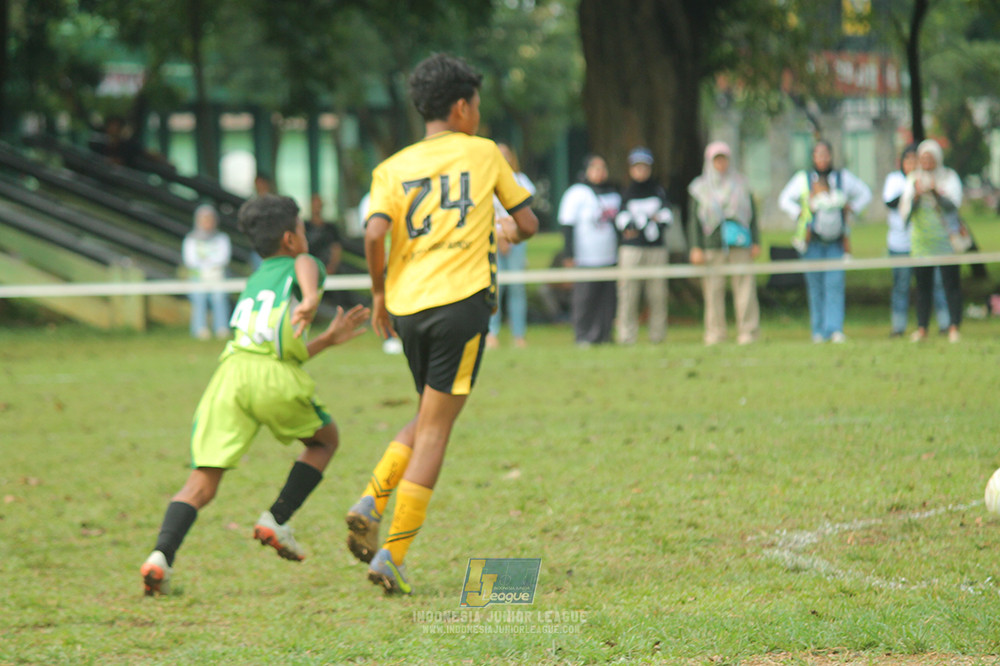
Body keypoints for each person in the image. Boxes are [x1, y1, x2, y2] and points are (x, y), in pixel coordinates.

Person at [345, 53, 538, 595]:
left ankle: (373, 497)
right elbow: (527, 221)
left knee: (428, 411)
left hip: (407, 307)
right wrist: (511, 233)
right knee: (437, 427)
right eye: (476, 104)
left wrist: (379, 292)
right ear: (461, 107)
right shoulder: (483, 153)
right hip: (462, 303)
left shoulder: (392, 167)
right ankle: (392, 555)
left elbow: (374, 233)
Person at [140, 194, 370, 596]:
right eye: (301, 229)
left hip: (230, 376)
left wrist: (328, 340)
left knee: (202, 482)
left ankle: (161, 556)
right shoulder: (301, 262)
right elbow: (304, 264)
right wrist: (313, 296)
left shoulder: (256, 278)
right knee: (325, 440)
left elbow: (275, 350)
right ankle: (277, 519)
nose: (304, 237)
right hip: (270, 379)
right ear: (290, 238)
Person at [778, 140, 871, 343]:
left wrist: (851, 209)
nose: (822, 158)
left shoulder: (842, 178)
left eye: (825, 154)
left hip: (836, 242)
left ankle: (834, 328)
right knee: (816, 286)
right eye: (818, 154)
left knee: (834, 284)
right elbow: (784, 199)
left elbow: (865, 193)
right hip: (812, 242)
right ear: (813, 157)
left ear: (831, 156)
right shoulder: (803, 179)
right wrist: (800, 212)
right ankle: (818, 331)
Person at [687, 141, 761, 346]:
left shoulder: (741, 184)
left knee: (745, 288)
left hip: (739, 243)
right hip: (712, 244)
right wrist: (696, 246)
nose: (721, 163)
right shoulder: (700, 187)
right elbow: (694, 219)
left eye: (724, 159)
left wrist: (756, 240)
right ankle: (715, 333)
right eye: (716, 159)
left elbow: (752, 215)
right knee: (713, 290)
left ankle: (748, 331)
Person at [900, 139, 964, 343]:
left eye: (930, 158)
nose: (926, 161)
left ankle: (954, 326)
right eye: (923, 158)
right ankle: (922, 328)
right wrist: (916, 197)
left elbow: (954, 205)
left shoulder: (948, 177)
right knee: (923, 287)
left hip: (946, 241)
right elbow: (904, 212)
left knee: (951, 284)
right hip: (922, 242)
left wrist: (936, 193)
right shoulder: (913, 179)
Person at [883, 144, 951, 338]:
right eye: (908, 159)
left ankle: (944, 324)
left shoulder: (929, 179)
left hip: (927, 243)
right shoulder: (896, 180)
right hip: (900, 243)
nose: (912, 164)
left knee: (936, 284)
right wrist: (912, 191)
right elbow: (891, 203)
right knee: (902, 286)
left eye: (916, 159)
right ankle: (899, 327)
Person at [558, 154, 621, 346]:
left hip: (609, 256)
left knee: (607, 299)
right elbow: (567, 225)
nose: (599, 172)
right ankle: (583, 335)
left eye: (602, 168)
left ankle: (604, 334)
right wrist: (569, 254)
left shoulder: (613, 194)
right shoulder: (577, 193)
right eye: (594, 168)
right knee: (585, 299)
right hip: (585, 257)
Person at [613, 146, 673, 345]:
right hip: (632, 249)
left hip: (656, 249)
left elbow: (666, 217)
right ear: (631, 169)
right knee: (629, 294)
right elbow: (622, 222)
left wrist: (644, 222)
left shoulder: (658, 190)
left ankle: (657, 336)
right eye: (637, 167)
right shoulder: (626, 192)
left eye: (645, 167)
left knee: (657, 294)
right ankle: (626, 336)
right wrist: (644, 221)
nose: (641, 171)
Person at [486, 143, 536, 349]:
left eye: (507, 155)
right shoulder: (485, 181)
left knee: (517, 287)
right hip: (492, 239)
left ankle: (518, 334)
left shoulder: (521, 181)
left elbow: (526, 215)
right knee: (495, 288)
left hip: (516, 241)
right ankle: (492, 333)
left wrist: (512, 235)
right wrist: (499, 236)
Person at [182, 204, 232, 339]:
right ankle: (200, 329)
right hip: (198, 276)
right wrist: (206, 266)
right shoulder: (191, 239)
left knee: (219, 297)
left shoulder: (222, 238)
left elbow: (224, 258)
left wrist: (209, 265)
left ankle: (222, 328)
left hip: (217, 275)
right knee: (199, 298)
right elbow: (190, 260)